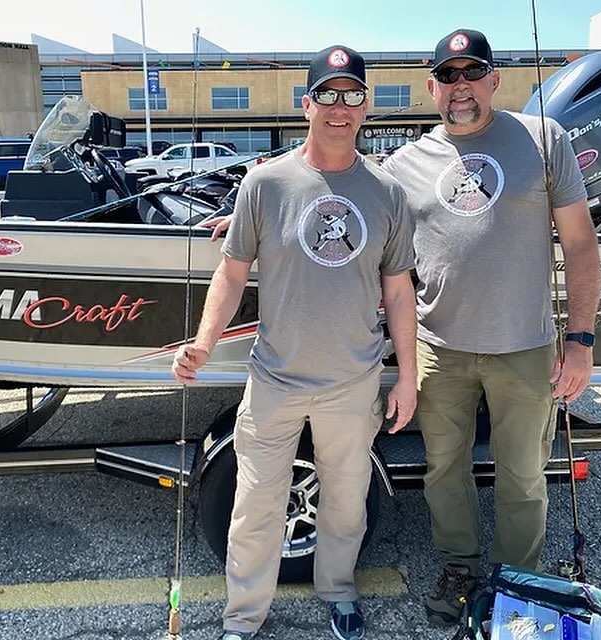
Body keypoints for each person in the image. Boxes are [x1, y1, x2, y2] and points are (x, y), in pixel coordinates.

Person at [172, 45, 418, 640]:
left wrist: (407, 378)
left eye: (352, 95)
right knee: (254, 508)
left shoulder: (387, 193)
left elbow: (400, 293)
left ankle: (338, 592)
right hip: (274, 382)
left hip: (353, 383)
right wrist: (204, 341)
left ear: (367, 106)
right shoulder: (265, 183)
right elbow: (231, 273)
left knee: (346, 503)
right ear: (306, 104)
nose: (340, 107)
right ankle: (243, 617)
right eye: (327, 94)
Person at [379, 28, 601, 626]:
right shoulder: (404, 163)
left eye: (472, 72)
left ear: (495, 80)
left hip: (525, 347)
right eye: (447, 76)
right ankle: (460, 569)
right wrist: (253, 200)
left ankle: (514, 587)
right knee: (443, 471)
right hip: (437, 350)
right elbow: (346, 194)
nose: (460, 87)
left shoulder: (542, 138)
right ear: (431, 87)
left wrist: (579, 342)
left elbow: (581, 244)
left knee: (524, 476)